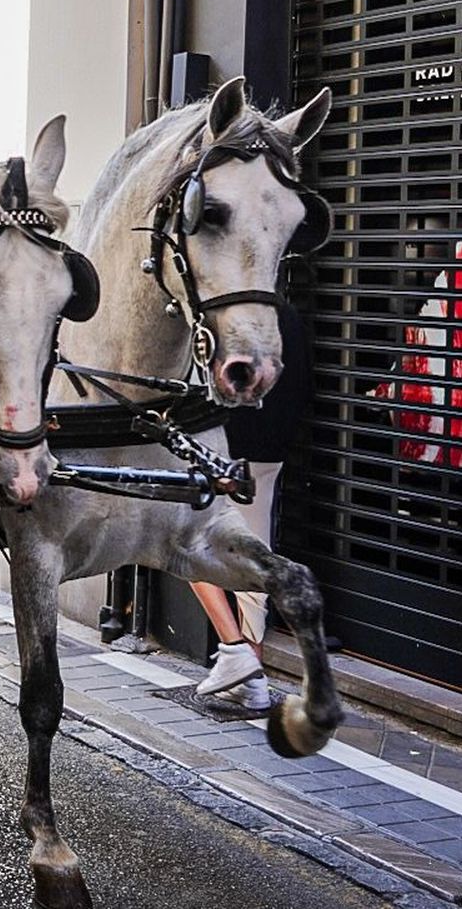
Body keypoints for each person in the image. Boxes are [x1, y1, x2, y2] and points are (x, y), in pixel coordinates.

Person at [191, 300, 311, 711]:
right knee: (256, 549)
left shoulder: (225, 318)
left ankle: (235, 651)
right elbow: (301, 385)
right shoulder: (288, 317)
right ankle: (252, 666)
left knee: (187, 548)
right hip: (270, 452)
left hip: (224, 451)